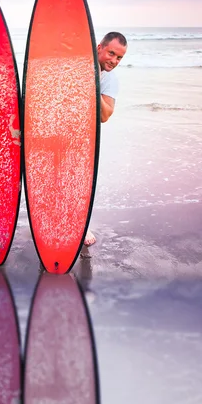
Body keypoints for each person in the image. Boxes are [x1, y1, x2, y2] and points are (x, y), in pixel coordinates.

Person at [84, 31, 128, 247]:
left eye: (119, 58)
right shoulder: (78, 62)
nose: (114, 61)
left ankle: (80, 226)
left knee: (81, 181)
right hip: (56, 129)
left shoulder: (109, 79)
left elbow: (105, 115)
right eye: (111, 53)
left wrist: (94, 86)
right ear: (99, 46)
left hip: (84, 136)